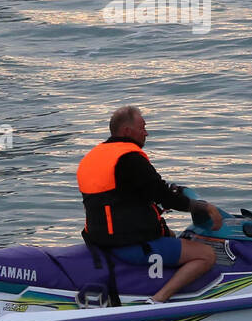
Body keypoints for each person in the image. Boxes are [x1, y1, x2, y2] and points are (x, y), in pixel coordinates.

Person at [77, 106, 224, 304]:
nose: (146, 132)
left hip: (99, 239)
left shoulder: (94, 157)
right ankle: (158, 300)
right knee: (206, 255)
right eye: (143, 127)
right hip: (128, 244)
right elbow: (164, 196)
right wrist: (203, 207)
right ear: (127, 131)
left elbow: (123, 196)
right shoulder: (130, 158)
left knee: (171, 235)